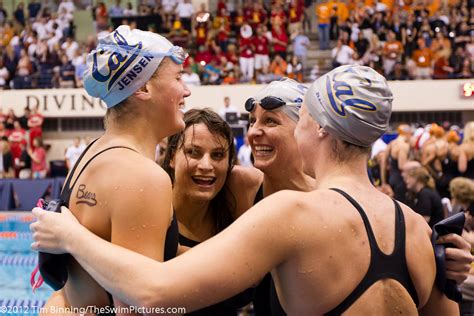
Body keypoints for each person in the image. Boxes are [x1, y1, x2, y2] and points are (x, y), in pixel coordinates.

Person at [31, 66, 471, 314]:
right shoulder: (416, 230)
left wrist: (70, 235)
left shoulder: (290, 215)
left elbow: (152, 293)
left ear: (313, 126)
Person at [34, 25, 191, 312]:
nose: (187, 90)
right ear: (143, 87)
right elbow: (135, 308)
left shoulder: (91, 154)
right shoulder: (141, 177)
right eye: (179, 77)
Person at [162, 108, 258, 315]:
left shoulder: (235, 205)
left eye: (217, 155)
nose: (207, 165)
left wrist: (175, 252)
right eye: (193, 152)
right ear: (171, 157)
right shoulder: (151, 214)